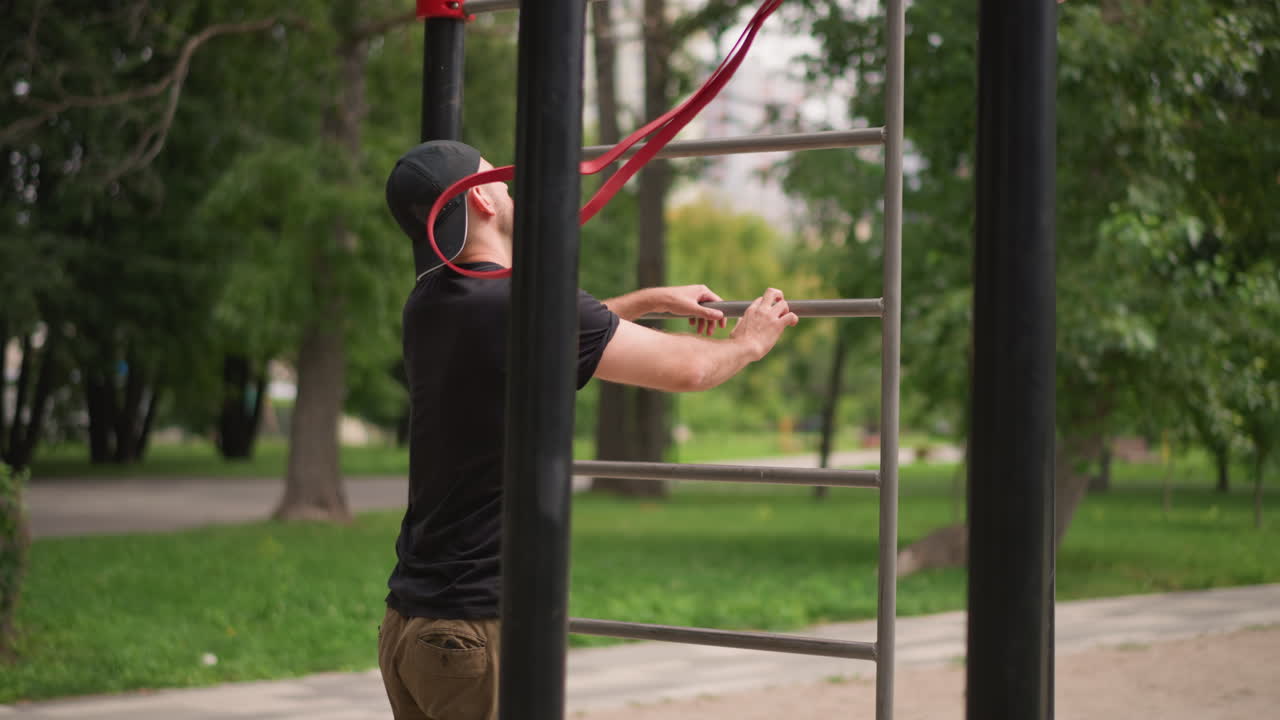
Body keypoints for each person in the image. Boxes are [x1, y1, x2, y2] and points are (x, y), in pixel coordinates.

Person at [378, 140, 799, 720]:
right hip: (473, 631)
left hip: (409, 627)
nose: (510, 189)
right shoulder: (510, 304)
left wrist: (648, 301)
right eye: (497, 178)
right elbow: (692, 369)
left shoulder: (430, 303)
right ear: (479, 198)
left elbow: (545, 328)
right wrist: (749, 342)